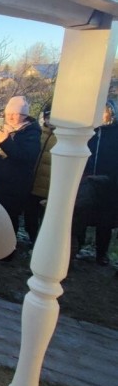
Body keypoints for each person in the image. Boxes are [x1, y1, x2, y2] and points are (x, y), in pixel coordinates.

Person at [0, 95, 41, 256]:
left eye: (16, 114)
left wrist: (5, 140)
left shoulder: (31, 132)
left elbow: (25, 157)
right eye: (9, 114)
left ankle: (7, 251)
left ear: (24, 115)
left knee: (8, 217)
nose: (11, 117)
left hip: (15, 184)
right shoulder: (1, 128)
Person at [72, 100, 118, 265]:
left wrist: (111, 177)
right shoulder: (90, 131)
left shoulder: (115, 133)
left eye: (104, 112)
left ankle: (101, 254)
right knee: (81, 215)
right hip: (86, 180)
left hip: (109, 183)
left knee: (105, 221)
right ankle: (77, 249)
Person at [23, 106, 56, 244]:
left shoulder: (64, 137)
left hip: (50, 188)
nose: (50, 120)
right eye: (48, 117)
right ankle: (32, 241)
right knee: (30, 217)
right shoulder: (37, 133)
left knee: (46, 220)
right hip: (32, 184)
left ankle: (43, 245)